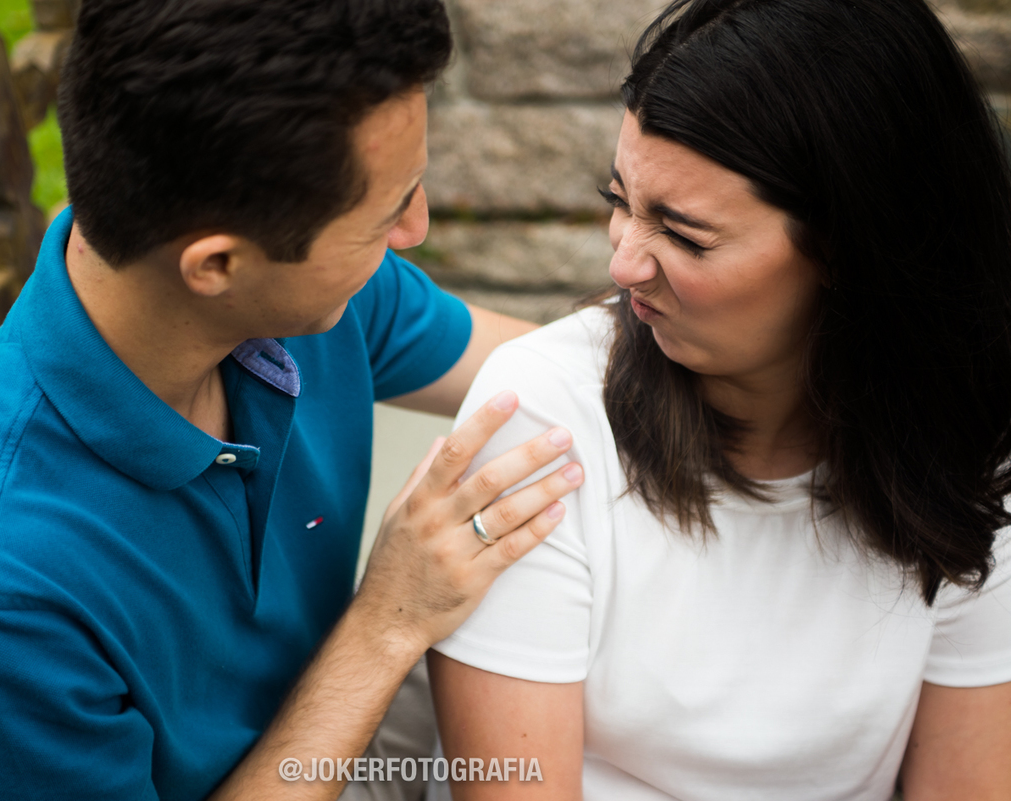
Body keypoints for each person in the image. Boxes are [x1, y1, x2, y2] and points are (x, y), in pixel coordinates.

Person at [0, 1, 587, 799]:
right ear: (217, 265)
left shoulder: (298, 298)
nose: (416, 227)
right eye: (382, 217)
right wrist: (388, 622)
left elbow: (552, 373)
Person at [428, 0, 1011, 798]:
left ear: (853, 247)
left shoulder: (975, 449)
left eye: (685, 235)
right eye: (619, 200)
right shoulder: (543, 417)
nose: (624, 264)